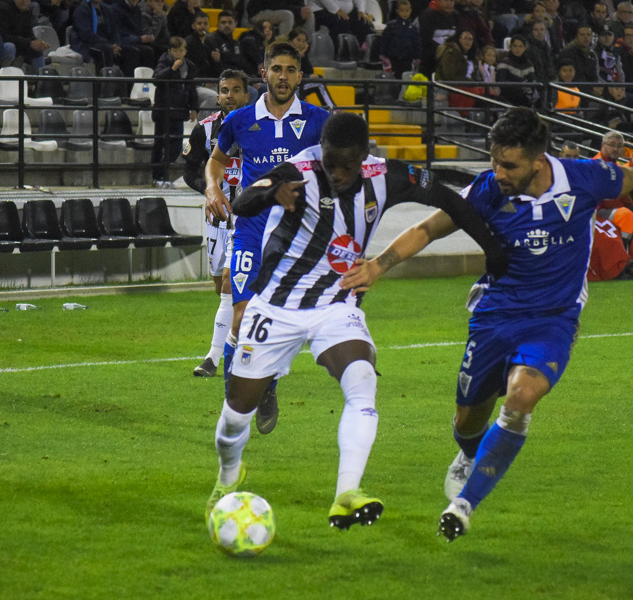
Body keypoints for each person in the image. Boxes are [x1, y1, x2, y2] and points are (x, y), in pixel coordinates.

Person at [337, 107, 633, 541]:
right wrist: (378, 265)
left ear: (538, 162)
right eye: (494, 161)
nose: (498, 172)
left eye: (509, 165)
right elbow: (428, 228)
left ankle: (464, 505)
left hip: (554, 318)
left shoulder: (584, 177)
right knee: (468, 418)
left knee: (522, 397)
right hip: (496, 314)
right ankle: (468, 453)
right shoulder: (487, 190)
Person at [205, 112, 508, 528]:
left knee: (362, 383)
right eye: (331, 162)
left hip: (336, 304)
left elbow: (451, 201)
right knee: (237, 413)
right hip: (275, 306)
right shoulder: (298, 169)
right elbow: (243, 202)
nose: (338, 173)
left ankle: (347, 493)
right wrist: (273, 194)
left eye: (348, 165)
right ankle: (228, 475)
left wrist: (493, 252)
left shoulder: (388, 175)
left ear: (364, 156)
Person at [204, 42, 330, 435]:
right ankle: (233, 405)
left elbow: (335, 168)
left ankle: (268, 387)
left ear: (300, 76)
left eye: (291, 70)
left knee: (271, 319)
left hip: (293, 238)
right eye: (277, 69)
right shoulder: (241, 120)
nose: (283, 76)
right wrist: (214, 189)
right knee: (240, 315)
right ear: (264, 72)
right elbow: (216, 161)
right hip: (250, 228)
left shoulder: (318, 120)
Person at [185, 70, 250, 377]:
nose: (230, 96)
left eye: (237, 90)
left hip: (247, 217)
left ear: (246, 96)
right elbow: (189, 173)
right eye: (225, 90)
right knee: (219, 284)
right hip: (217, 219)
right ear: (218, 96)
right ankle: (246, 332)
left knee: (228, 283)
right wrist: (210, 193)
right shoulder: (204, 130)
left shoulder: (257, 128)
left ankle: (214, 358)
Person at [151, 36, 199, 186]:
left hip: (179, 110)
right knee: (160, 144)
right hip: (163, 110)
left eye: (181, 50)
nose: (178, 54)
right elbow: (156, 79)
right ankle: (157, 177)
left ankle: (164, 173)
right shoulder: (164, 62)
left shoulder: (190, 66)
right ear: (170, 51)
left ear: (185, 51)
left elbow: (191, 89)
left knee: (176, 145)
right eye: (175, 51)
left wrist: (194, 108)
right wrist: (171, 69)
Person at [0, 0, 51, 72]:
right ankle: (8, 76)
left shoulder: (26, 10)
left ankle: (42, 79)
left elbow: (28, 33)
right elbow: (3, 36)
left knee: (36, 50)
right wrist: (30, 43)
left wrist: (37, 43)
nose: (24, 1)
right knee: (10, 46)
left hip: (16, 42)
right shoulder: (2, 9)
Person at [379, 0, 420, 76]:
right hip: (393, 58)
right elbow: (385, 40)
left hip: (407, 59)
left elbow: (416, 44)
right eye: (402, 11)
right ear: (397, 11)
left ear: (410, 11)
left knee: (405, 78)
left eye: (407, 11)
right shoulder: (391, 26)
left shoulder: (413, 28)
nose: (404, 13)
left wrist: (417, 57)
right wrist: (383, 54)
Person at [308, 0, 374, 46]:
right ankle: (339, 53)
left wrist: (361, 10)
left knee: (365, 23)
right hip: (320, 8)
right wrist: (336, 9)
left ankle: (359, 51)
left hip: (347, 11)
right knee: (341, 24)